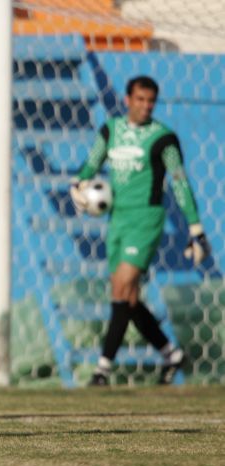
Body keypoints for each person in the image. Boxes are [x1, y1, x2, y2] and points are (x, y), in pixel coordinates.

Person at [70, 75, 210, 386]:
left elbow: (179, 181)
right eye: (140, 100)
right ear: (128, 100)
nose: (146, 106)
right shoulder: (110, 130)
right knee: (127, 298)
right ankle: (171, 353)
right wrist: (77, 183)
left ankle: (102, 370)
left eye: (151, 101)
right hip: (117, 219)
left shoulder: (164, 138)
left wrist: (196, 228)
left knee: (122, 287)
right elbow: (91, 163)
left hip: (147, 219)